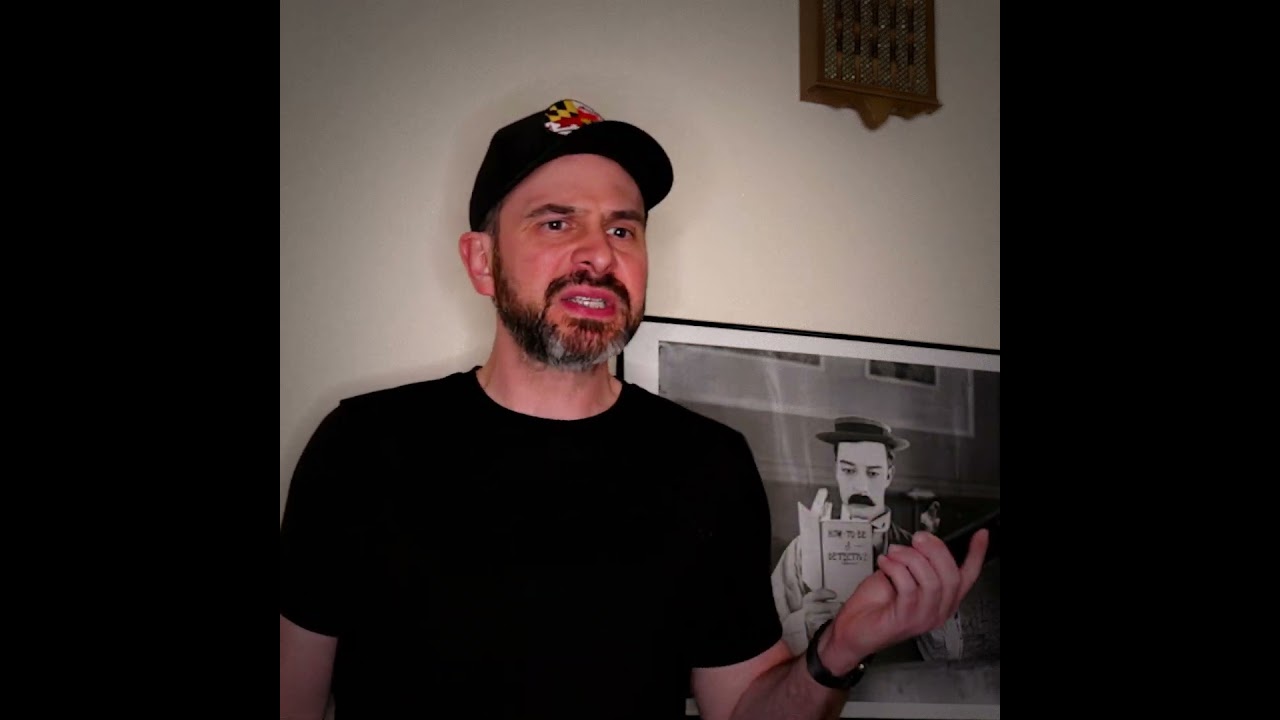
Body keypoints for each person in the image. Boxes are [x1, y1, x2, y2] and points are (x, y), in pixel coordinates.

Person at [279, 98, 989, 720]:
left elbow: (744, 710)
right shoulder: (362, 447)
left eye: (623, 230)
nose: (598, 254)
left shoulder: (707, 465)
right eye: (556, 224)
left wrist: (838, 652)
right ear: (482, 262)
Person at [769, 417, 965, 662]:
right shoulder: (800, 551)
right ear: (836, 471)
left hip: (897, 681)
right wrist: (802, 625)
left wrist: (924, 613)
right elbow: (763, 639)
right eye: (848, 470)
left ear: (889, 475)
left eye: (873, 473)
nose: (860, 486)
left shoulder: (917, 553)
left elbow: (952, 654)